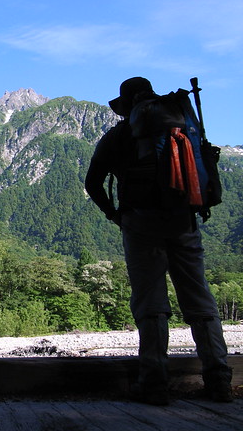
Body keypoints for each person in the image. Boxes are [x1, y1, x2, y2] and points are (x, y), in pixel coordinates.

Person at [85, 77, 233, 405]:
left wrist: (115, 215)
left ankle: (153, 382)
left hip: (140, 225)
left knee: (150, 302)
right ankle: (219, 378)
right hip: (184, 222)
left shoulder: (121, 135)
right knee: (199, 298)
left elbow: (93, 182)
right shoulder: (181, 127)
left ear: (126, 106)